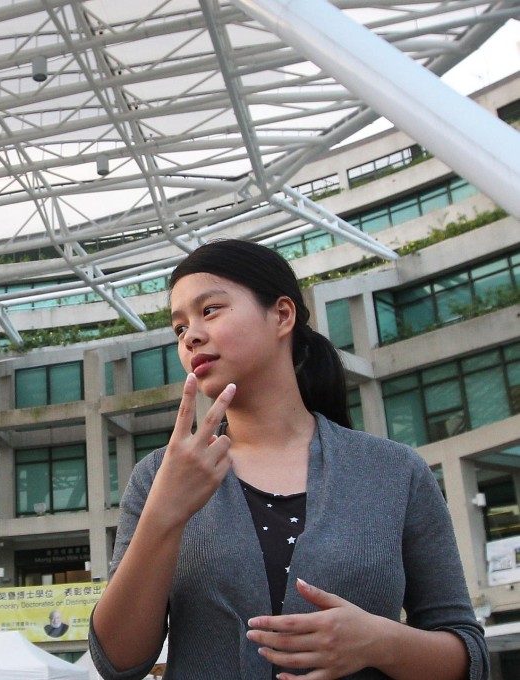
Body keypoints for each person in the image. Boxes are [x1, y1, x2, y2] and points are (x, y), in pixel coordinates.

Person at [88, 240, 489, 680]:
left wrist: (381, 642)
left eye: (209, 311)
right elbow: (118, 662)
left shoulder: (395, 472)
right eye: (178, 328)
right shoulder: (157, 476)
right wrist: (162, 515)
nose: (191, 337)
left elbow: (468, 655)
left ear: (281, 315)